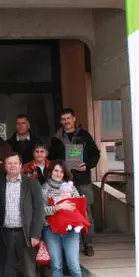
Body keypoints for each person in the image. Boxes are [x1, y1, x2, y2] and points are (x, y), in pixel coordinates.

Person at [0, 152, 45, 277]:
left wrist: (36, 234)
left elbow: (39, 210)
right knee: (8, 269)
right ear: (5, 165)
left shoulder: (31, 184)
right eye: (9, 163)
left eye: (15, 163)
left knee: (29, 269)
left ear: (21, 165)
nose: (12, 166)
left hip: (26, 232)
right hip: (6, 232)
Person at [49, 108, 101, 256]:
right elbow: (52, 158)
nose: (66, 122)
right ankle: (72, 244)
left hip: (82, 180)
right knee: (65, 210)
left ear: (74, 119)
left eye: (68, 118)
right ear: (61, 121)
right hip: (64, 181)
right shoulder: (56, 138)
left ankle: (88, 243)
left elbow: (96, 154)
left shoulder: (84, 135)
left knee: (86, 210)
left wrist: (87, 165)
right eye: (63, 119)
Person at [41, 160, 86, 277]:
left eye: (61, 171)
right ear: (50, 172)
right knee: (56, 265)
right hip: (51, 230)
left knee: (73, 265)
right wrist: (58, 207)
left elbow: (78, 207)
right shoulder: (44, 189)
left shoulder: (71, 187)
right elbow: (42, 211)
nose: (58, 174)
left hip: (71, 230)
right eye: (55, 171)